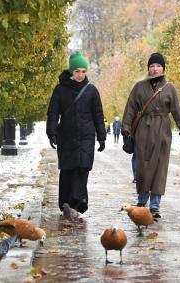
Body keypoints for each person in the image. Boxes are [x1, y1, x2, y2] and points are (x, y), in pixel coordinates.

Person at [122, 52, 180, 219]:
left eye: (158, 66)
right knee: (142, 168)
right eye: (152, 66)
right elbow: (130, 108)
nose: (155, 69)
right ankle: (142, 200)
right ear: (148, 68)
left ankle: (154, 206)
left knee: (159, 169)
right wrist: (126, 128)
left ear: (163, 68)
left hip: (162, 133)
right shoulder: (139, 87)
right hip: (143, 132)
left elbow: (177, 110)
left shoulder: (170, 88)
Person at [46, 51, 106, 214]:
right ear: (71, 71)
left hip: (86, 137)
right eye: (77, 71)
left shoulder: (91, 90)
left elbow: (98, 115)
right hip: (66, 136)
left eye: (83, 71)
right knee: (67, 170)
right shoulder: (60, 90)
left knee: (82, 168)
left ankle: (79, 201)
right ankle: (66, 203)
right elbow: (53, 112)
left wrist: (101, 137)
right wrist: (51, 132)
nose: (80, 75)